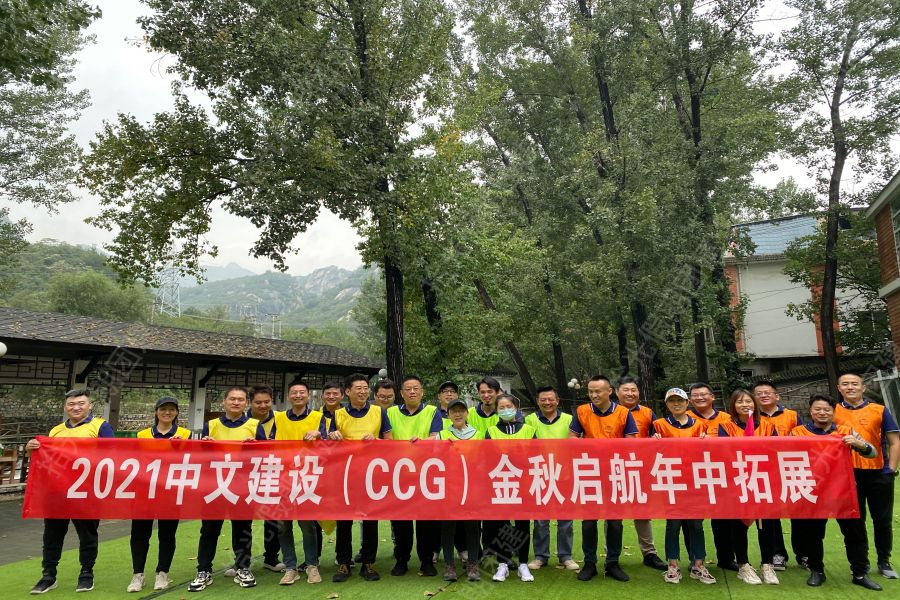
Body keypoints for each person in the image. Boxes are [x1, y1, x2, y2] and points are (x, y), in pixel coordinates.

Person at [791, 393, 883, 590]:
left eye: (827, 409)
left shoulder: (846, 431)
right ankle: (817, 571)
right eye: (817, 409)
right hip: (814, 492)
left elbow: (872, 453)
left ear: (833, 412)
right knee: (813, 534)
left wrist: (860, 444)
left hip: (843, 491)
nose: (822, 412)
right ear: (810, 411)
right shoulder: (798, 432)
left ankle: (860, 573)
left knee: (855, 533)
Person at [27, 388, 115, 595]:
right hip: (57, 492)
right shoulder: (56, 431)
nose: (76, 407)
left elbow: (113, 456)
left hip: (87, 492)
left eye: (81, 403)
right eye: (71, 404)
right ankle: (48, 575)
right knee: (52, 535)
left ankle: (86, 573)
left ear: (90, 406)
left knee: (87, 534)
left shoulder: (100, 426)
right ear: (65, 407)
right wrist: (32, 451)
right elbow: (46, 461)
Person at [188, 386, 267, 592]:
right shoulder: (211, 425)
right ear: (224, 401)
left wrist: (255, 446)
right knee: (209, 529)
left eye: (240, 399)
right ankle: (203, 570)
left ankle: (243, 567)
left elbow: (266, 456)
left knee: (242, 528)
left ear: (246, 403)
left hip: (242, 486)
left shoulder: (254, 425)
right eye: (232, 399)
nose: (236, 402)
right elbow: (202, 457)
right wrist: (205, 445)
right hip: (215, 486)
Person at [569, 375, 637, 583]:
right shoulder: (582, 411)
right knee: (589, 521)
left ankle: (612, 562)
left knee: (615, 521)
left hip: (615, 472)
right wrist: (590, 448)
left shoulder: (623, 413)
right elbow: (572, 438)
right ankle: (589, 563)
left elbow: (631, 442)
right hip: (590, 472)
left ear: (610, 391)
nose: (594, 395)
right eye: (590, 391)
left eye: (598, 391)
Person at [834, 372, 900, 579]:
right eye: (845, 384)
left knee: (882, 520)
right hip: (848, 476)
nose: (850, 387)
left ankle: (884, 560)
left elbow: (894, 441)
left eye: (854, 384)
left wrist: (891, 469)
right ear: (839, 388)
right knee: (855, 522)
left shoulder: (879, 410)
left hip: (878, 473)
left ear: (863, 388)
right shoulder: (832, 411)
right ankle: (861, 563)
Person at [327, 373, 392, 583]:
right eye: (358, 388)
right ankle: (344, 563)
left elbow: (390, 442)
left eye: (365, 388)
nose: (363, 391)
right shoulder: (337, 415)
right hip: (344, 476)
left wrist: (377, 441)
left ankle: (368, 562)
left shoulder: (379, 412)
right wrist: (333, 436)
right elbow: (328, 445)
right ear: (347, 391)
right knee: (344, 520)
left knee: (370, 520)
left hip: (370, 476)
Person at [652, 388, 716, 585]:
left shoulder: (699, 425)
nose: (676, 404)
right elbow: (651, 453)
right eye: (672, 401)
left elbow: (708, 453)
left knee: (696, 524)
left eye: (680, 400)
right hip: (671, 481)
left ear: (687, 403)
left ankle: (698, 564)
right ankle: (673, 565)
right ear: (667, 404)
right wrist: (652, 442)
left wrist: (708, 442)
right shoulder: (659, 425)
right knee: (673, 525)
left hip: (694, 482)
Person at [127, 397, 192, 593]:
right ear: (156, 411)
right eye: (163, 409)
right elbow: (134, 460)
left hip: (171, 492)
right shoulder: (142, 435)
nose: (167, 412)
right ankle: (138, 574)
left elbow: (193, 461)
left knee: (167, 534)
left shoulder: (185, 435)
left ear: (177, 412)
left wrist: (181, 448)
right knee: (139, 534)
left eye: (172, 409)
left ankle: (162, 572)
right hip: (144, 492)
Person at [715, 389, 777, 586]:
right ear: (733, 405)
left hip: (763, 480)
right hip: (738, 481)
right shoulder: (725, 426)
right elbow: (723, 453)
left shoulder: (768, 425)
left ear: (754, 404)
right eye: (740, 402)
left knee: (765, 525)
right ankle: (743, 565)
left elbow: (776, 450)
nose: (745, 405)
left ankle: (767, 564)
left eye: (748, 401)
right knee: (739, 525)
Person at [386, 375, 443, 578]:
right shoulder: (391, 412)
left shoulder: (432, 411)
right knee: (401, 521)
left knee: (426, 521)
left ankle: (426, 561)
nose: (412, 392)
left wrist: (423, 442)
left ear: (422, 392)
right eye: (408, 389)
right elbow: (386, 439)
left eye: (416, 388)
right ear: (401, 393)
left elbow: (437, 437)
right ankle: (402, 560)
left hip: (425, 474)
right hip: (399, 475)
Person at [273, 380, 326, 585]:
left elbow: (329, 447)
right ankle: (290, 568)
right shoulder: (278, 418)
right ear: (288, 396)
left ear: (308, 395)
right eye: (294, 392)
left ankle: (312, 565)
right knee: (283, 525)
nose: (298, 395)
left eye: (301, 392)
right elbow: (267, 443)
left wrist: (319, 435)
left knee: (308, 525)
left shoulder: (318, 418)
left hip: (307, 478)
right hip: (282, 478)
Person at [524, 386, 579, 572]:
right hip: (540, 475)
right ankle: (540, 556)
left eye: (550, 399)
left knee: (566, 520)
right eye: (543, 400)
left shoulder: (569, 420)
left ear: (557, 401)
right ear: (538, 401)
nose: (547, 403)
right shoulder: (530, 420)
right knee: (540, 520)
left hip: (565, 475)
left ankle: (565, 556)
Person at [614, 376, 666, 571]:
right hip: (614, 469)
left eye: (633, 390)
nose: (630, 393)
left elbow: (657, 436)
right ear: (616, 392)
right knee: (613, 514)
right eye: (626, 390)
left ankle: (649, 553)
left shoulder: (647, 413)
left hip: (640, 469)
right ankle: (612, 555)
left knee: (643, 512)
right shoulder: (610, 412)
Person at [484, 394, 536, 582]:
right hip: (501, 483)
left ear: (516, 408)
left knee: (523, 523)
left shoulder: (529, 430)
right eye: (501, 407)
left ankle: (523, 564)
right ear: (496, 411)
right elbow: (488, 458)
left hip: (524, 483)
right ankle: (503, 564)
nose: (506, 410)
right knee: (502, 524)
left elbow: (535, 456)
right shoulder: (491, 431)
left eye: (509, 406)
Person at [687, 383, 735, 571]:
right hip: (693, 475)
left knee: (723, 519)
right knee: (693, 521)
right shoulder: (685, 418)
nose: (699, 398)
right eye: (695, 395)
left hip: (720, 475)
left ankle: (726, 558)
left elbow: (733, 445)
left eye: (703, 394)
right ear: (690, 400)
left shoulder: (726, 418)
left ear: (713, 397)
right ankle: (695, 559)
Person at [751, 380, 798, 570]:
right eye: (758, 393)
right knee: (770, 516)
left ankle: (803, 553)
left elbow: (803, 438)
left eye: (767, 392)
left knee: (798, 512)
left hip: (790, 469)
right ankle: (777, 554)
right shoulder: (751, 419)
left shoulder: (792, 415)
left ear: (777, 396)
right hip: (763, 472)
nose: (763, 395)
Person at [439, 399, 483, 581]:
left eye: (461, 410)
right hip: (449, 487)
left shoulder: (478, 434)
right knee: (448, 527)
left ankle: (473, 563)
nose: (458, 414)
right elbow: (429, 453)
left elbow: (484, 459)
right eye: (454, 411)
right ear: (448, 415)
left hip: (472, 486)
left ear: (467, 413)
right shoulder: (442, 434)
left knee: (472, 526)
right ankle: (449, 564)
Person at [245, 385, 284, 575]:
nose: (263, 406)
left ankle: (271, 557)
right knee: (243, 521)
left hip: (275, 474)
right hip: (246, 476)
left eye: (267, 402)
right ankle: (241, 562)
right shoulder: (242, 421)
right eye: (258, 402)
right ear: (250, 402)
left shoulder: (281, 419)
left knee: (273, 519)